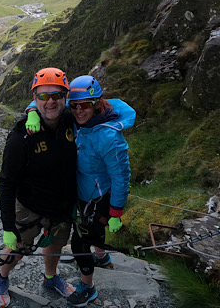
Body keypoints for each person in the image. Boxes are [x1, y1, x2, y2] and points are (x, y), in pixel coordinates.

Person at [26, 75, 134, 307]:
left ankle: (88, 287)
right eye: (74, 105)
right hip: (84, 192)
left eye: (84, 105)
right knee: (93, 231)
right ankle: (102, 256)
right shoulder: (78, 120)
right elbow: (46, 101)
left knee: (79, 244)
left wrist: (116, 212)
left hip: (98, 198)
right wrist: (32, 111)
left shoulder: (109, 137)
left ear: (96, 102)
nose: (78, 110)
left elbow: (121, 177)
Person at [0, 67, 78, 308]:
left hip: (63, 204)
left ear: (66, 96)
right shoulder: (21, 136)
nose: (50, 101)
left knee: (56, 243)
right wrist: (8, 226)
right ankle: (1, 278)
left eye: (56, 95)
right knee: (18, 247)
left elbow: (110, 109)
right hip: (30, 206)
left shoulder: (72, 119)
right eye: (43, 96)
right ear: (34, 98)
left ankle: (50, 278)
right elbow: (7, 182)